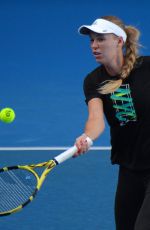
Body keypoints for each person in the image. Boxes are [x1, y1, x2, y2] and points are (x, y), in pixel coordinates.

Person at [74, 15, 150, 230]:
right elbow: (96, 119)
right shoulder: (94, 80)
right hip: (130, 167)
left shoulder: (148, 68)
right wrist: (87, 137)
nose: (94, 45)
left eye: (100, 39)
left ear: (119, 40)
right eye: (91, 40)